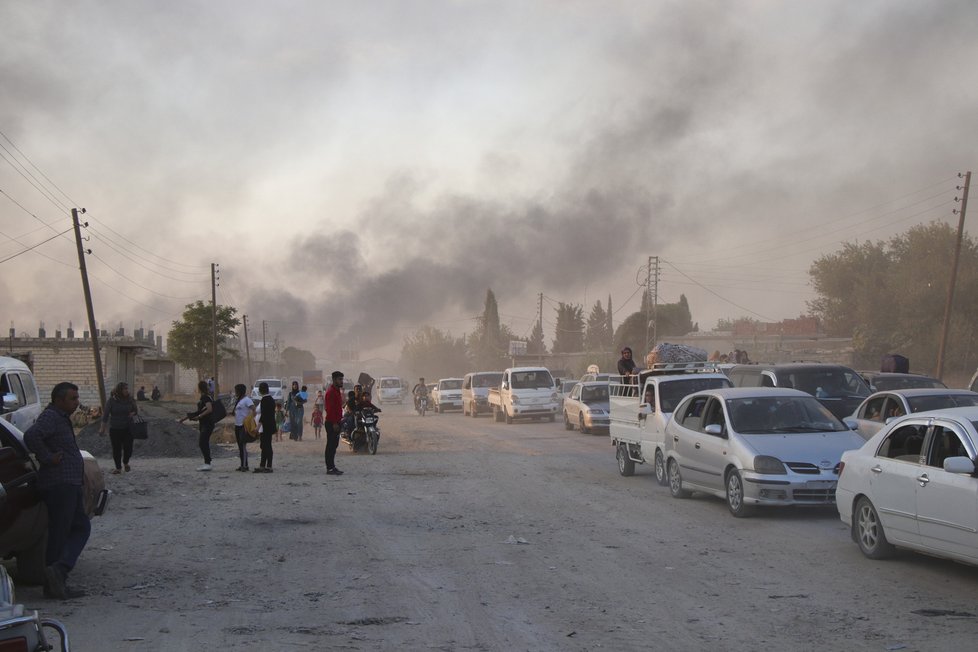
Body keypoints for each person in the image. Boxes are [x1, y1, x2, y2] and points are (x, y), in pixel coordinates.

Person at [23, 382, 90, 600]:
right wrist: (47, 457)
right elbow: (31, 436)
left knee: (69, 530)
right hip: (59, 483)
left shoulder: (60, 418)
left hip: (67, 482)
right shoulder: (51, 417)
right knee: (71, 530)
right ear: (59, 400)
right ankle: (58, 571)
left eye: (77, 397)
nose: (76, 402)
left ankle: (55, 581)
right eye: (72, 398)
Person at [99, 381, 138, 474]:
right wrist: (102, 428)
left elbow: (135, 410)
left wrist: (132, 413)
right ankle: (118, 468)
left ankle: (125, 462)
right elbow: (105, 415)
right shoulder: (112, 401)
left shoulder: (130, 399)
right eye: (125, 389)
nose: (126, 390)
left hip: (128, 428)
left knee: (128, 448)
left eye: (127, 388)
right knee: (116, 449)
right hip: (115, 429)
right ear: (119, 390)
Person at [178, 380, 216, 471]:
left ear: (199, 388)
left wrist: (199, 417)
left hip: (207, 424)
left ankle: (208, 463)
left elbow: (209, 409)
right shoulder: (205, 397)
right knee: (204, 443)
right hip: (205, 424)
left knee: (203, 443)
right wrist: (185, 418)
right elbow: (199, 412)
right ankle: (207, 462)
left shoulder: (206, 398)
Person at [324, 370, 345, 475]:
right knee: (330, 446)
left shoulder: (337, 391)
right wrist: (334, 423)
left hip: (337, 421)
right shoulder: (330, 392)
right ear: (334, 380)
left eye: (342, 379)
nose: (342, 381)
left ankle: (332, 466)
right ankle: (330, 468)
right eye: (340, 379)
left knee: (334, 445)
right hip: (332, 423)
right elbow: (330, 409)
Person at [232, 383, 255, 472]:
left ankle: (245, 466)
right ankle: (243, 464)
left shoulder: (247, 400)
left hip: (243, 426)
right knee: (240, 446)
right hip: (237, 425)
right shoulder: (239, 400)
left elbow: (254, 409)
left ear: (240, 391)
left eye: (236, 391)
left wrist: (249, 420)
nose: (235, 392)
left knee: (243, 446)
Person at [255, 381, 277, 473]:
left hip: (265, 426)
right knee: (264, 445)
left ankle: (269, 466)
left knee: (266, 445)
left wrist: (257, 426)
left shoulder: (265, 400)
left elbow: (263, 415)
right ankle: (262, 465)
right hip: (269, 425)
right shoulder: (270, 399)